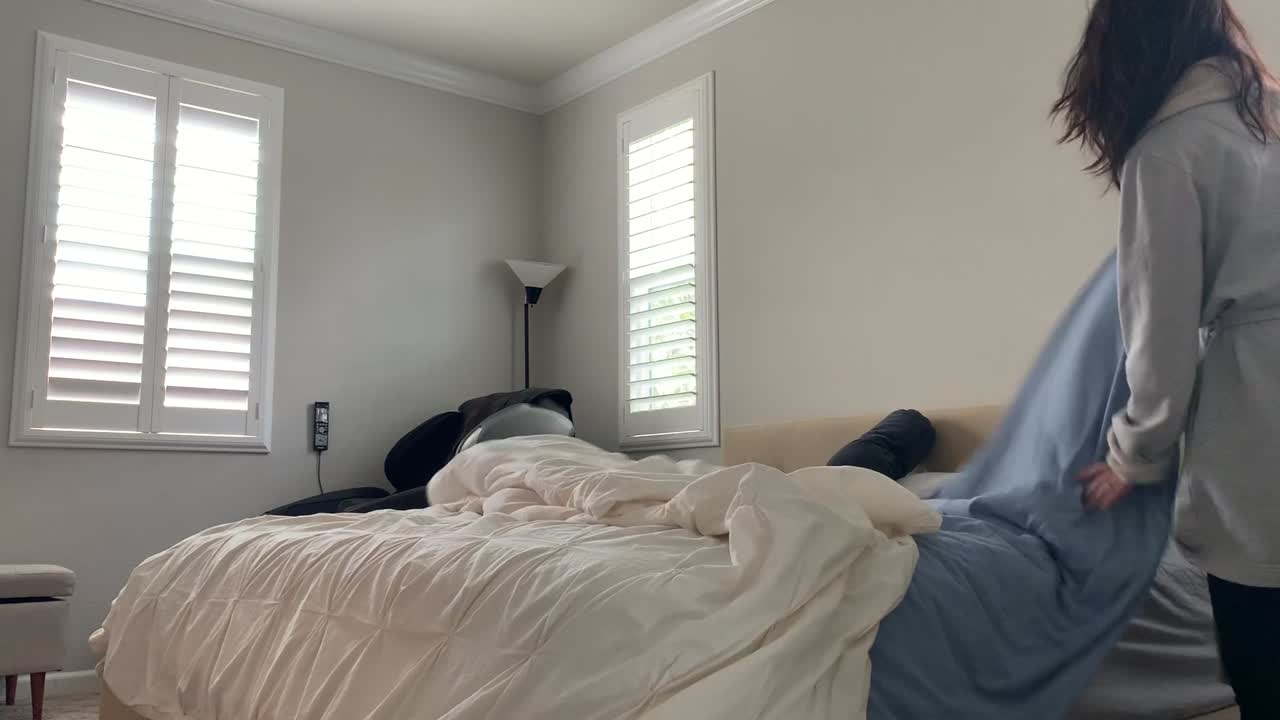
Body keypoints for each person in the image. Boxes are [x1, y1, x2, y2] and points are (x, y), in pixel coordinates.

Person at [1051, 1, 1280, 717]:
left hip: (1259, 418)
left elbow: (1161, 340)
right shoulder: (1269, 116)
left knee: (1265, 665)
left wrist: (1131, 457)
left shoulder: (1169, 150)